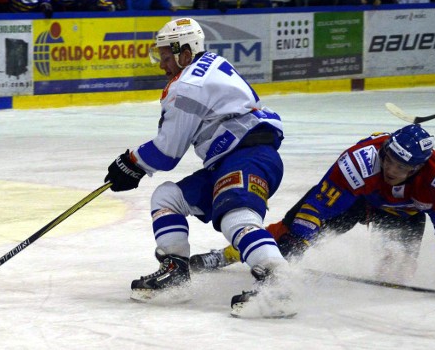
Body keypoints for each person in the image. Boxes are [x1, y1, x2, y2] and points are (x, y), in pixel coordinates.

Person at [103, 17, 295, 318]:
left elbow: (167, 153)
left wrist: (130, 162)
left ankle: (279, 284)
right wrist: (135, 165)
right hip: (234, 159)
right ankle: (175, 272)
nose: (161, 64)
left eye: (166, 56)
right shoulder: (208, 63)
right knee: (167, 198)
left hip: (249, 157)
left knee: (236, 218)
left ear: (185, 53)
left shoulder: (188, 85)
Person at [190, 125, 435, 302]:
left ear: (419, 167)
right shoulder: (359, 162)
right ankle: (227, 253)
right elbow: (317, 209)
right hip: (354, 199)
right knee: (287, 239)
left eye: (402, 167)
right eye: (390, 161)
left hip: (401, 214)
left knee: (395, 278)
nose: (391, 170)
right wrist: (301, 241)